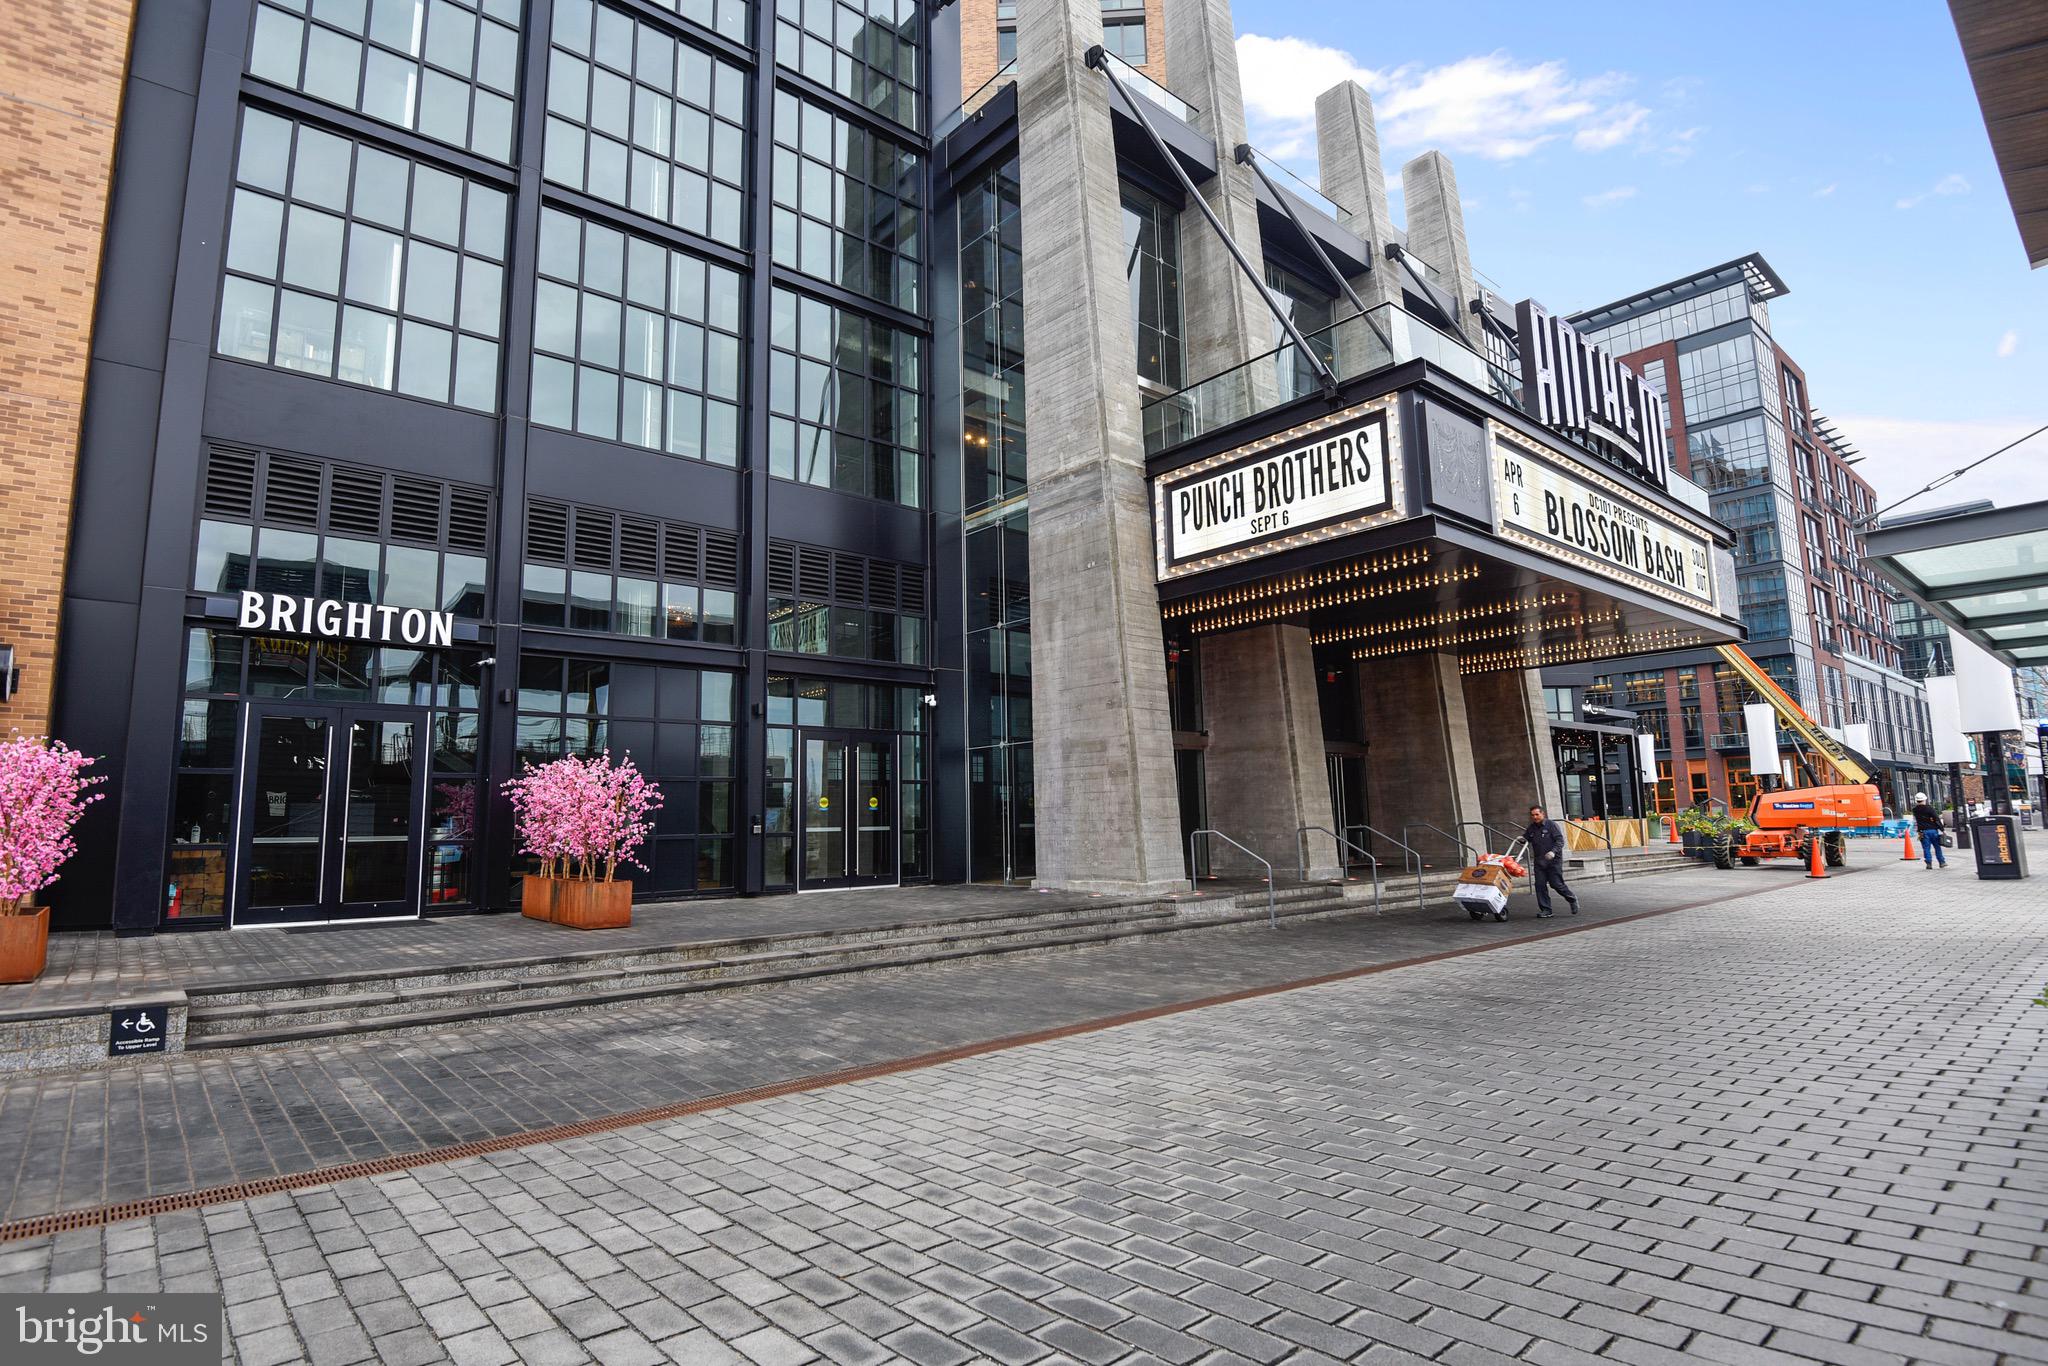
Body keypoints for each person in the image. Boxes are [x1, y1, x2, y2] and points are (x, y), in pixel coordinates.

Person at [1522, 805, 1578, 918]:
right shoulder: (1532, 828)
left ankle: (1571, 898)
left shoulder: (1551, 825)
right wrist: (1522, 839)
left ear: (1542, 814)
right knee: (1540, 885)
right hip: (1539, 862)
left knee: (1556, 884)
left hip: (1553, 861)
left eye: (1537, 814)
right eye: (1532, 815)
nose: (1535, 817)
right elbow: (1526, 838)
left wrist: (1553, 852)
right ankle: (1546, 910)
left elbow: (1560, 841)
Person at [1910, 792, 1948, 870]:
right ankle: (1941, 862)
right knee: (1937, 847)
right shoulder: (1929, 808)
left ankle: (1929, 863)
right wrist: (1942, 829)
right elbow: (1936, 819)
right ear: (1924, 800)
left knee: (1926, 848)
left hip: (1922, 831)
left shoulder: (1915, 810)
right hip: (1933, 830)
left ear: (1916, 800)